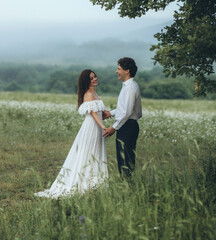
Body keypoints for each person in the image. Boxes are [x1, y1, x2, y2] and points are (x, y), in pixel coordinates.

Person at [34, 69, 108, 198]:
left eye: (95, 76)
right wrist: (103, 127)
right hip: (91, 127)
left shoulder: (94, 93)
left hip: (96, 126)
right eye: (91, 78)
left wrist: (107, 114)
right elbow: (93, 113)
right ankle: (83, 182)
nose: (95, 79)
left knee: (96, 152)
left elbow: (99, 112)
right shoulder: (88, 94)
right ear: (87, 81)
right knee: (87, 153)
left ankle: (95, 183)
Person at [103, 57, 142, 177]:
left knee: (126, 160)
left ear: (127, 71)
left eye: (119, 68)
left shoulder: (130, 88)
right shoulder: (127, 86)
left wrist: (113, 127)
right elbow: (124, 109)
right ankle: (126, 184)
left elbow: (127, 112)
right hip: (126, 125)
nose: (116, 71)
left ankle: (128, 186)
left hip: (128, 126)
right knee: (122, 158)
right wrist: (111, 113)